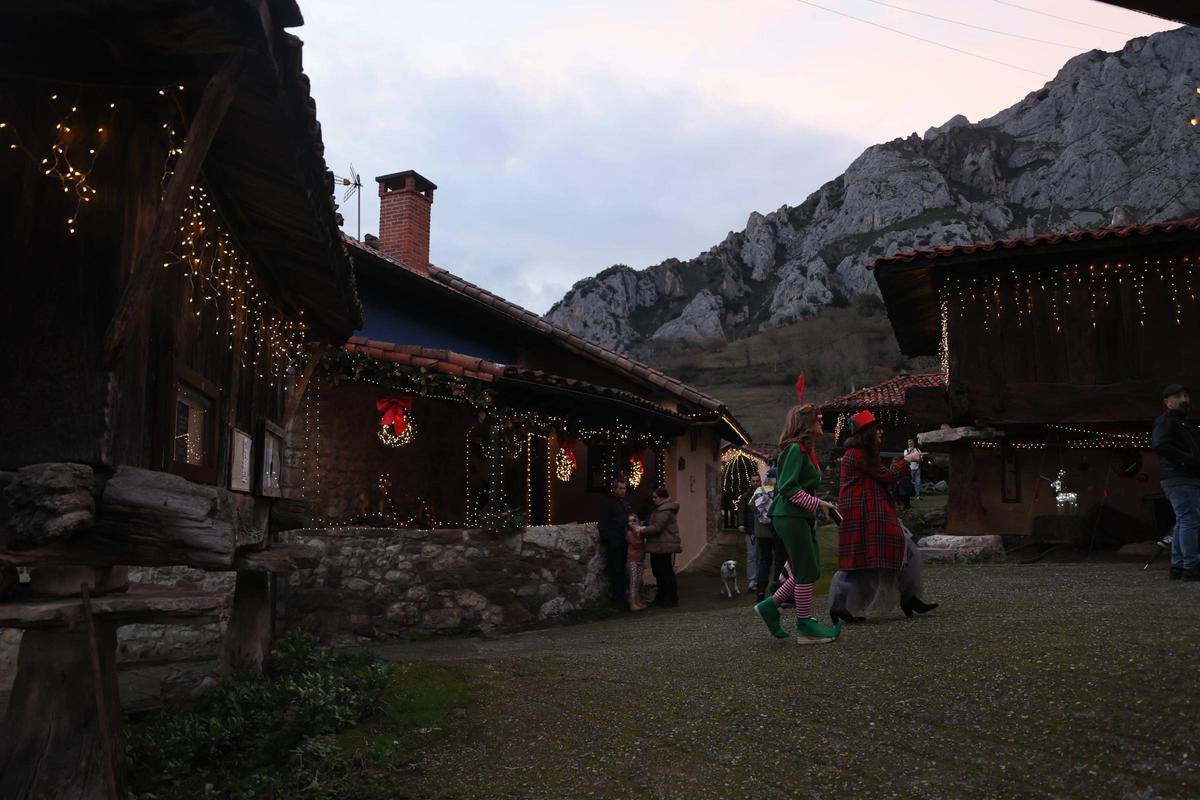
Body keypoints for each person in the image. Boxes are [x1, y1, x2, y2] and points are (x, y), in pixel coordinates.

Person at [828, 411, 938, 623]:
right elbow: (888, 476)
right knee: (860, 558)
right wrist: (907, 460)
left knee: (873, 554)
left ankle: (908, 598)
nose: (880, 432)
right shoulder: (858, 454)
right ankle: (841, 605)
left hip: (868, 512)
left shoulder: (861, 453)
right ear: (867, 433)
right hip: (864, 513)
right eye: (876, 429)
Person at [753, 397, 843, 645]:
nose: (821, 421)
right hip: (790, 516)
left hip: (798, 516)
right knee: (805, 570)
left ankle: (770, 607)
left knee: (808, 568)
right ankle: (805, 627)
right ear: (807, 423)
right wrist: (820, 504)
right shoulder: (795, 450)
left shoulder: (804, 450)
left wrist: (819, 505)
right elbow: (788, 488)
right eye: (818, 418)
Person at [1152, 383, 1200, 581]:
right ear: (1167, 401)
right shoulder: (1167, 421)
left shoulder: (1180, 422)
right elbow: (1159, 444)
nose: (1184, 400)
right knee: (1190, 520)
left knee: (1183, 520)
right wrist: (1185, 459)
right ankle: (1191, 566)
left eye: (1186, 396)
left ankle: (1179, 565)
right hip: (1180, 478)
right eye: (1178, 396)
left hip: (1182, 477)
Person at [640, 486, 682, 607]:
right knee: (661, 572)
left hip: (663, 545)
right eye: (653, 497)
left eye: (655, 497)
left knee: (665, 573)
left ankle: (669, 599)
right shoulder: (660, 509)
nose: (653, 499)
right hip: (660, 545)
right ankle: (663, 598)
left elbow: (657, 527)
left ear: (662, 497)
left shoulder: (664, 510)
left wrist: (641, 530)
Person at [752, 467, 788, 602]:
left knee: (764, 559)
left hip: (761, 531)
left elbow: (752, 506)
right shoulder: (780, 490)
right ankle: (777, 591)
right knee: (780, 559)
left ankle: (761, 591)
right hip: (777, 529)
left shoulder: (760, 490)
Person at [598, 479, 631, 606]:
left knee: (621, 570)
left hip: (623, 542)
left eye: (624, 488)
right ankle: (618, 598)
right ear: (614, 489)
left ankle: (621, 597)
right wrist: (610, 540)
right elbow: (603, 524)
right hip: (615, 542)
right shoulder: (608, 504)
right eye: (620, 488)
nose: (623, 491)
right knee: (616, 570)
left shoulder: (624, 503)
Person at [737, 473, 762, 593]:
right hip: (750, 529)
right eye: (753, 481)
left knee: (761, 556)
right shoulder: (746, 496)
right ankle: (752, 581)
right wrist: (741, 524)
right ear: (750, 482)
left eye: (757, 481)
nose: (755, 483)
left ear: (760, 481)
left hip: (763, 530)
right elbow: (741, 510)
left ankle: (760, 579)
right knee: (751, 556)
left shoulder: (764, 494)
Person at [624, 513, 648, 611]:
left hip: (640, 558)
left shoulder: (640, 531)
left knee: (638, 581)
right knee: (633, 581)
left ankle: (637, 601)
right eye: (629, 521)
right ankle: (632, 602)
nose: (632, 523)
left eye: (634, 520)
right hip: (632, 559)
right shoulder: (629, 533)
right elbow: (637, 543)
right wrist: (636, 531)